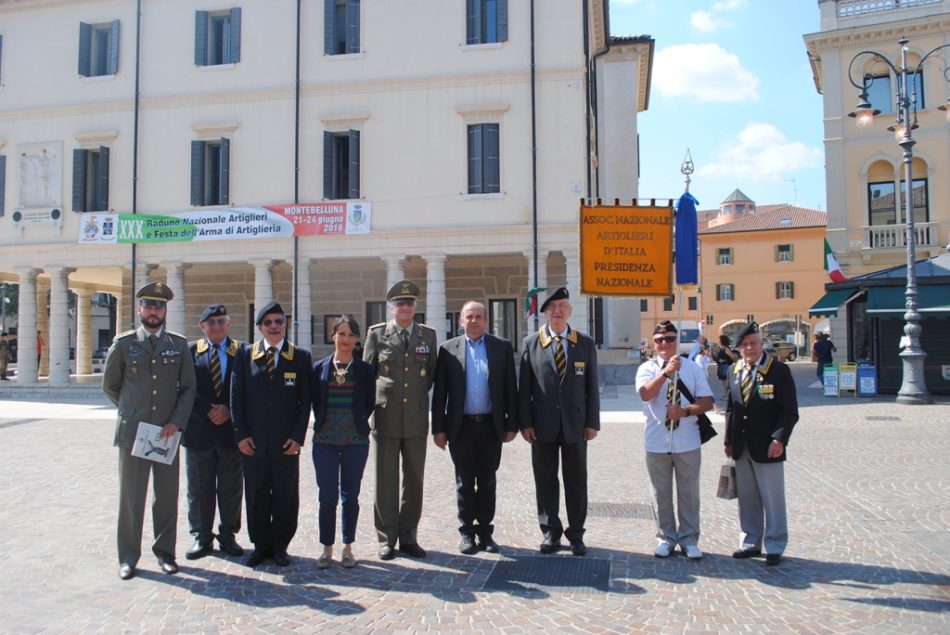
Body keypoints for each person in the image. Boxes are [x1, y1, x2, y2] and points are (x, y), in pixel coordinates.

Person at [102, 282, 196, 580]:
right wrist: (132, 411)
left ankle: (165, 553)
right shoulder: (124, 343)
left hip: (166, 433)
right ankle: (128, 557)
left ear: (165, 310)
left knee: (166, 497)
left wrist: (175, 422)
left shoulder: (178, 345)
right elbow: (110, 385)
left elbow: (189, 388)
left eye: (159, 306)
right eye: (148, 306)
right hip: (133, 434)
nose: (153, 311)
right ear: (140, 309)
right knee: (131, 498)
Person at [518, 287, 600, 556]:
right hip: (542, 426)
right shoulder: (532, 343)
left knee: (576, 480)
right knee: (545, 480)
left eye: (562, 306)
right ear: (544, 313)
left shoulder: (584, 343)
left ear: (570, 310)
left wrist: (592, 422)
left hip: (575, 425)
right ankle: (550, 532)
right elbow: (525, 388)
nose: (557, 311)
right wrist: (525, 423)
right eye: (552, 307)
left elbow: (591, 386)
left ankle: (576, 534)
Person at [431, 301, 518, 555]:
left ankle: (486, 533)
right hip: (461, 427)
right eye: (469, 317)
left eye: (479, 316)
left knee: (488, 481)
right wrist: (438, 429)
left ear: (486, 320)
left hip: (491, 425)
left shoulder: (501, 348)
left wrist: (511, 424)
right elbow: (440, 395)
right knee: (464, 482)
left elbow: (510, 390)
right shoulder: (448, 350)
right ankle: (467, 532)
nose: (474, 321)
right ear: (461, 320)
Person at [231, 301, 312, 568]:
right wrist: (241, 435)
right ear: (259, 328)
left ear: (285, 324)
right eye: (268, 323)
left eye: (279, 321)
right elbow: (236, 398)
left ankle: (280, 546)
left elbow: (305, 402)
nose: (274, 326)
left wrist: (298, 437)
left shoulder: (299, 357)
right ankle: (259, 545)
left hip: (285, 443)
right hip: (253, 443)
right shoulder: (245, 355)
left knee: (285, 497)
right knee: (255, 495)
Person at [362, 280, 438, 560]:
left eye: (409, 303)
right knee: (385, 478)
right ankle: (387, 537)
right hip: (385, 416)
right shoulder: (377, 335)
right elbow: (367, 375)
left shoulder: (427, 336)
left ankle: (408, 536)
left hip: (416, 418)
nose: (405, 308)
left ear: (415, 307)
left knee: (414, 479)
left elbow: (430, 374)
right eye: (400, 303)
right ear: (391, 307)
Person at [635, 320, 715, 560]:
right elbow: (646, 394)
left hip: (687, 440)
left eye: (669, 339)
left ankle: (689, 539)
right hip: (657, 440)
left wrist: (686, 410)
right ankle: (665, 538)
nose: (665, 344)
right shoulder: (647, 368)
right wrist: (665, 373)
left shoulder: (692, 368)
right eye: (659, 340)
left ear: (676, 341)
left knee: (689, 493)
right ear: (654, 343)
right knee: (660, 494)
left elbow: (707, 401)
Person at [725, 321, 799, 566]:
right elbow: (730, 410)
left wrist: (779, 438)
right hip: (742, 444)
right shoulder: (734, 371)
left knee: (772, 498)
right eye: (744, 345)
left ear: (761, 344)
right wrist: (728, 440)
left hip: (768, 444)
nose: (749, 348)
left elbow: (789, 410)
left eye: (753, 343)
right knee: (747, 498)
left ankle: (775, 544)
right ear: (738, 348)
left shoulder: (777, 371)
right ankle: (750, 541)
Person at [311, 315, 376, 569]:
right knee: (327, 496)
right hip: (325, 441)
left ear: (357, 338)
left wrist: (357, 422)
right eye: (341, 334)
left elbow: (369, 401)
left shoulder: (364, 370)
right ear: (333, 336)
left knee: (351, 496)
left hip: (355, 440)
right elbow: (315, 401)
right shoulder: (319, 368)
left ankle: (348, 547)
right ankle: (326, 548)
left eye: (350, 334)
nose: (346, 339)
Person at [183, 304, 244, 561]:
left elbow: (246, 387)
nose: (217, 326)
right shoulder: (190, 352)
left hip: (230, 432)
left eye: (221, 321)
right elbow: (184, 386)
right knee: (199, 487)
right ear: (203, 327)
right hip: (199, 430)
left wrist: (228, 410)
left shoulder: (241, 352)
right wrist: (209, 409)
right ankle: (201, 536)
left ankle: (228, 534)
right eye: (212, 322)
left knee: (231, 487)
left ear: (229, 324)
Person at [715, 334, 738, 399]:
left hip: (725, 367)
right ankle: (726, 395)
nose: (719, 341)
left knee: (726, 382)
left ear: (722, 341)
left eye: (720, 340)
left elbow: (733, 356)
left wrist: (725, 360)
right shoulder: (722, 348)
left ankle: (728, 396)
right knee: (723, 382)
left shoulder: (726, 349)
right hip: (721, 367)